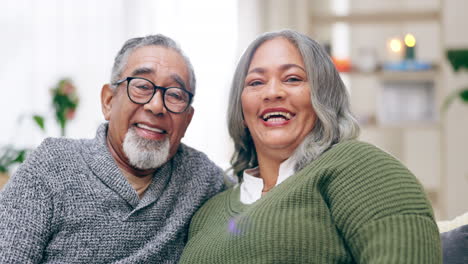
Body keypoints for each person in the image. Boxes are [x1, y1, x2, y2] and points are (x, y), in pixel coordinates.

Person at [179, 29, 442, 263]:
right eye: (256, 82)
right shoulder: (208, 210)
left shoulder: (358, 165)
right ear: (241, 107)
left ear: (323, 97)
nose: (272, 92)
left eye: (292, 79)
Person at [0, 34, 224, 263]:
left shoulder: (202, 177)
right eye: (142, 86)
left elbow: (249, 213)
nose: (156, 106)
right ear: (108, 101)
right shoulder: (52, 164)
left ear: (187, 119)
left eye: (175, 95)